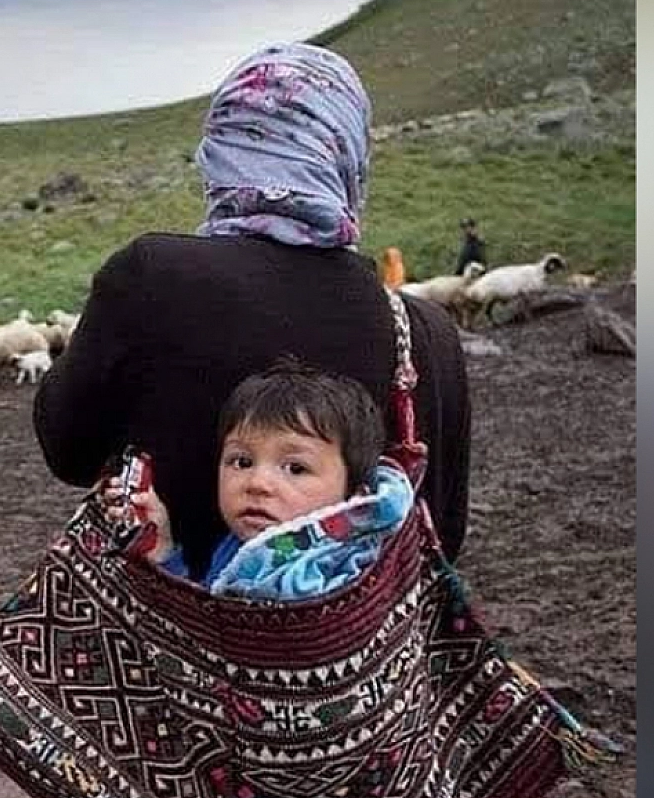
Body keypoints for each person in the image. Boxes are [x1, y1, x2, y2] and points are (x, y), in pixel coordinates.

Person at [33, 42, 471, 578]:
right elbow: (443, 533)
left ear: (219, 150)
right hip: (364, 656)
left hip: (167, 650)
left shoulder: (154, 277)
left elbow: (69, 450)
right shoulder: (427, 333)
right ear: (347, 154)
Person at [111, 359, 415, 598]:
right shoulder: (242, 546)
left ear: (354, 498)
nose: (257, 484)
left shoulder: (339, 567)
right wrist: (163, 548)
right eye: (241, 462)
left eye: (295, 469)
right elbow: (201, 616)